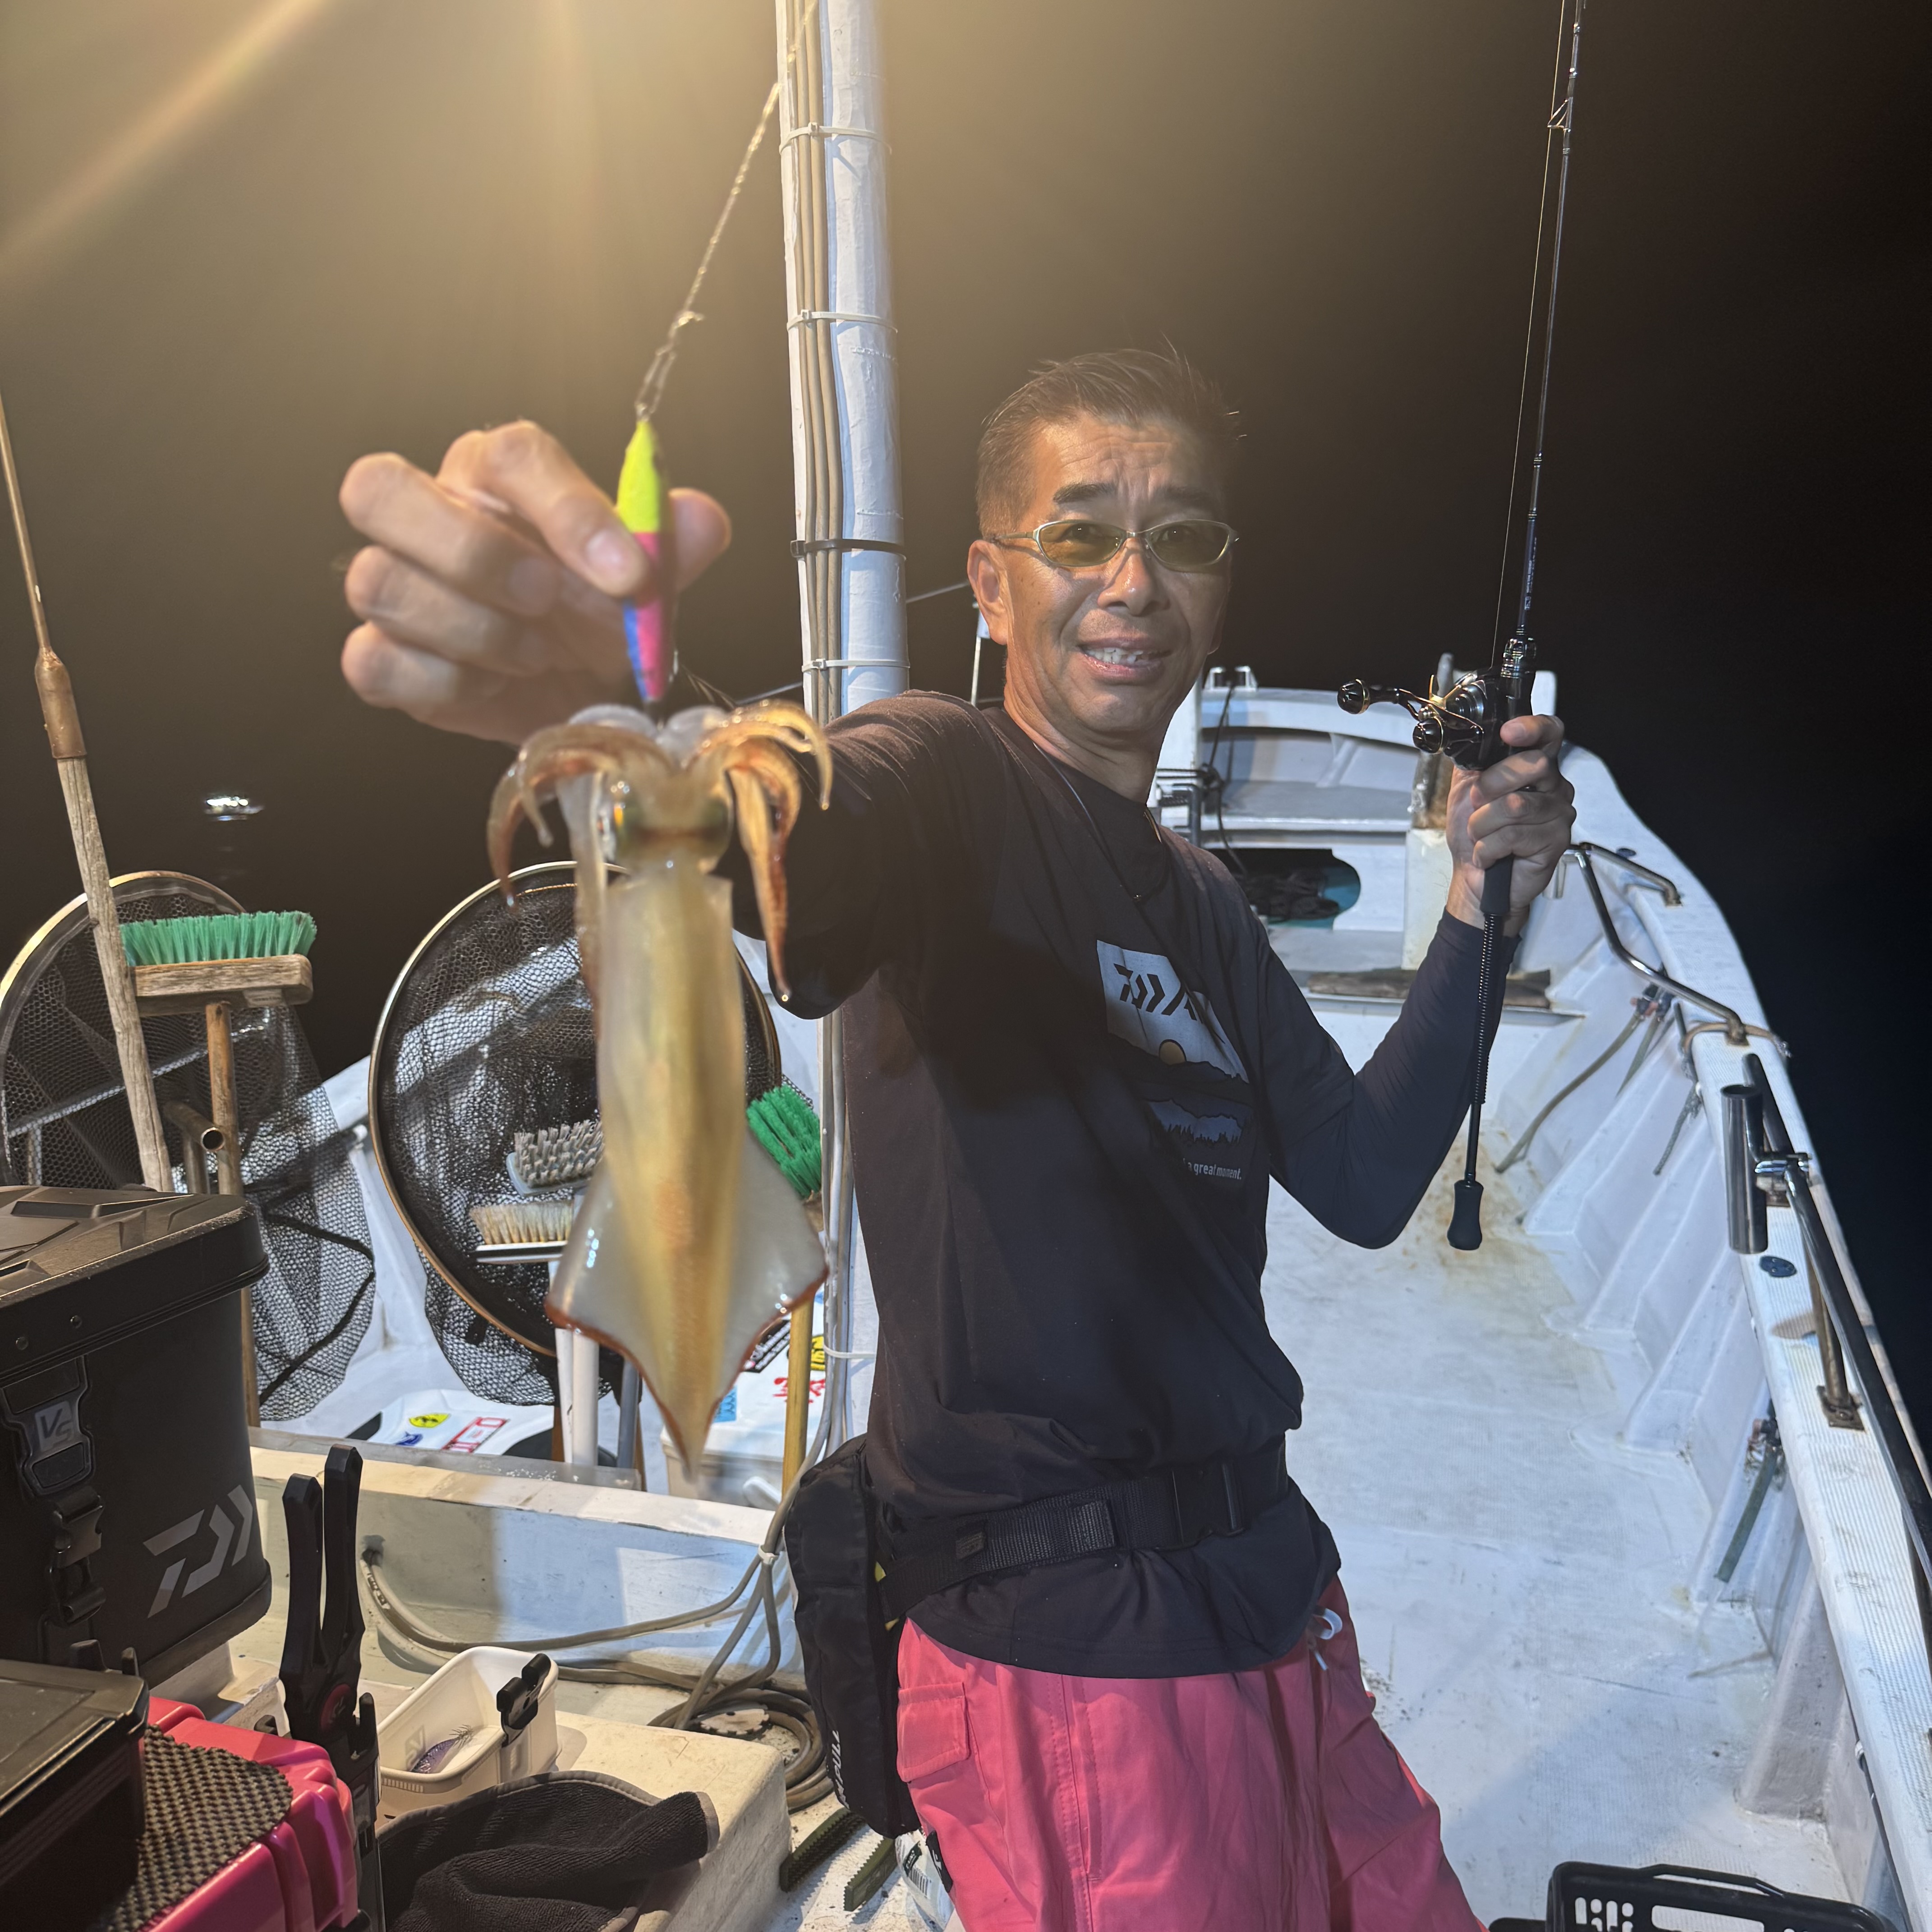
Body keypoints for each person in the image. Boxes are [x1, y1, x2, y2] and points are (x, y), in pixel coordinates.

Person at [339, 349, 1576, 1930]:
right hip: (1074, 1661)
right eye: (1080, 533)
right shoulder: (948, 779)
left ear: (1220, 585)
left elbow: (1364, 1174)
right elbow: (809, 823)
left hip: (1273, 1597)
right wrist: (626, 715)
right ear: (991, 584)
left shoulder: (1202, 901)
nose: (1132, 579)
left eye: (1182, 537)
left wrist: (1475, 901)